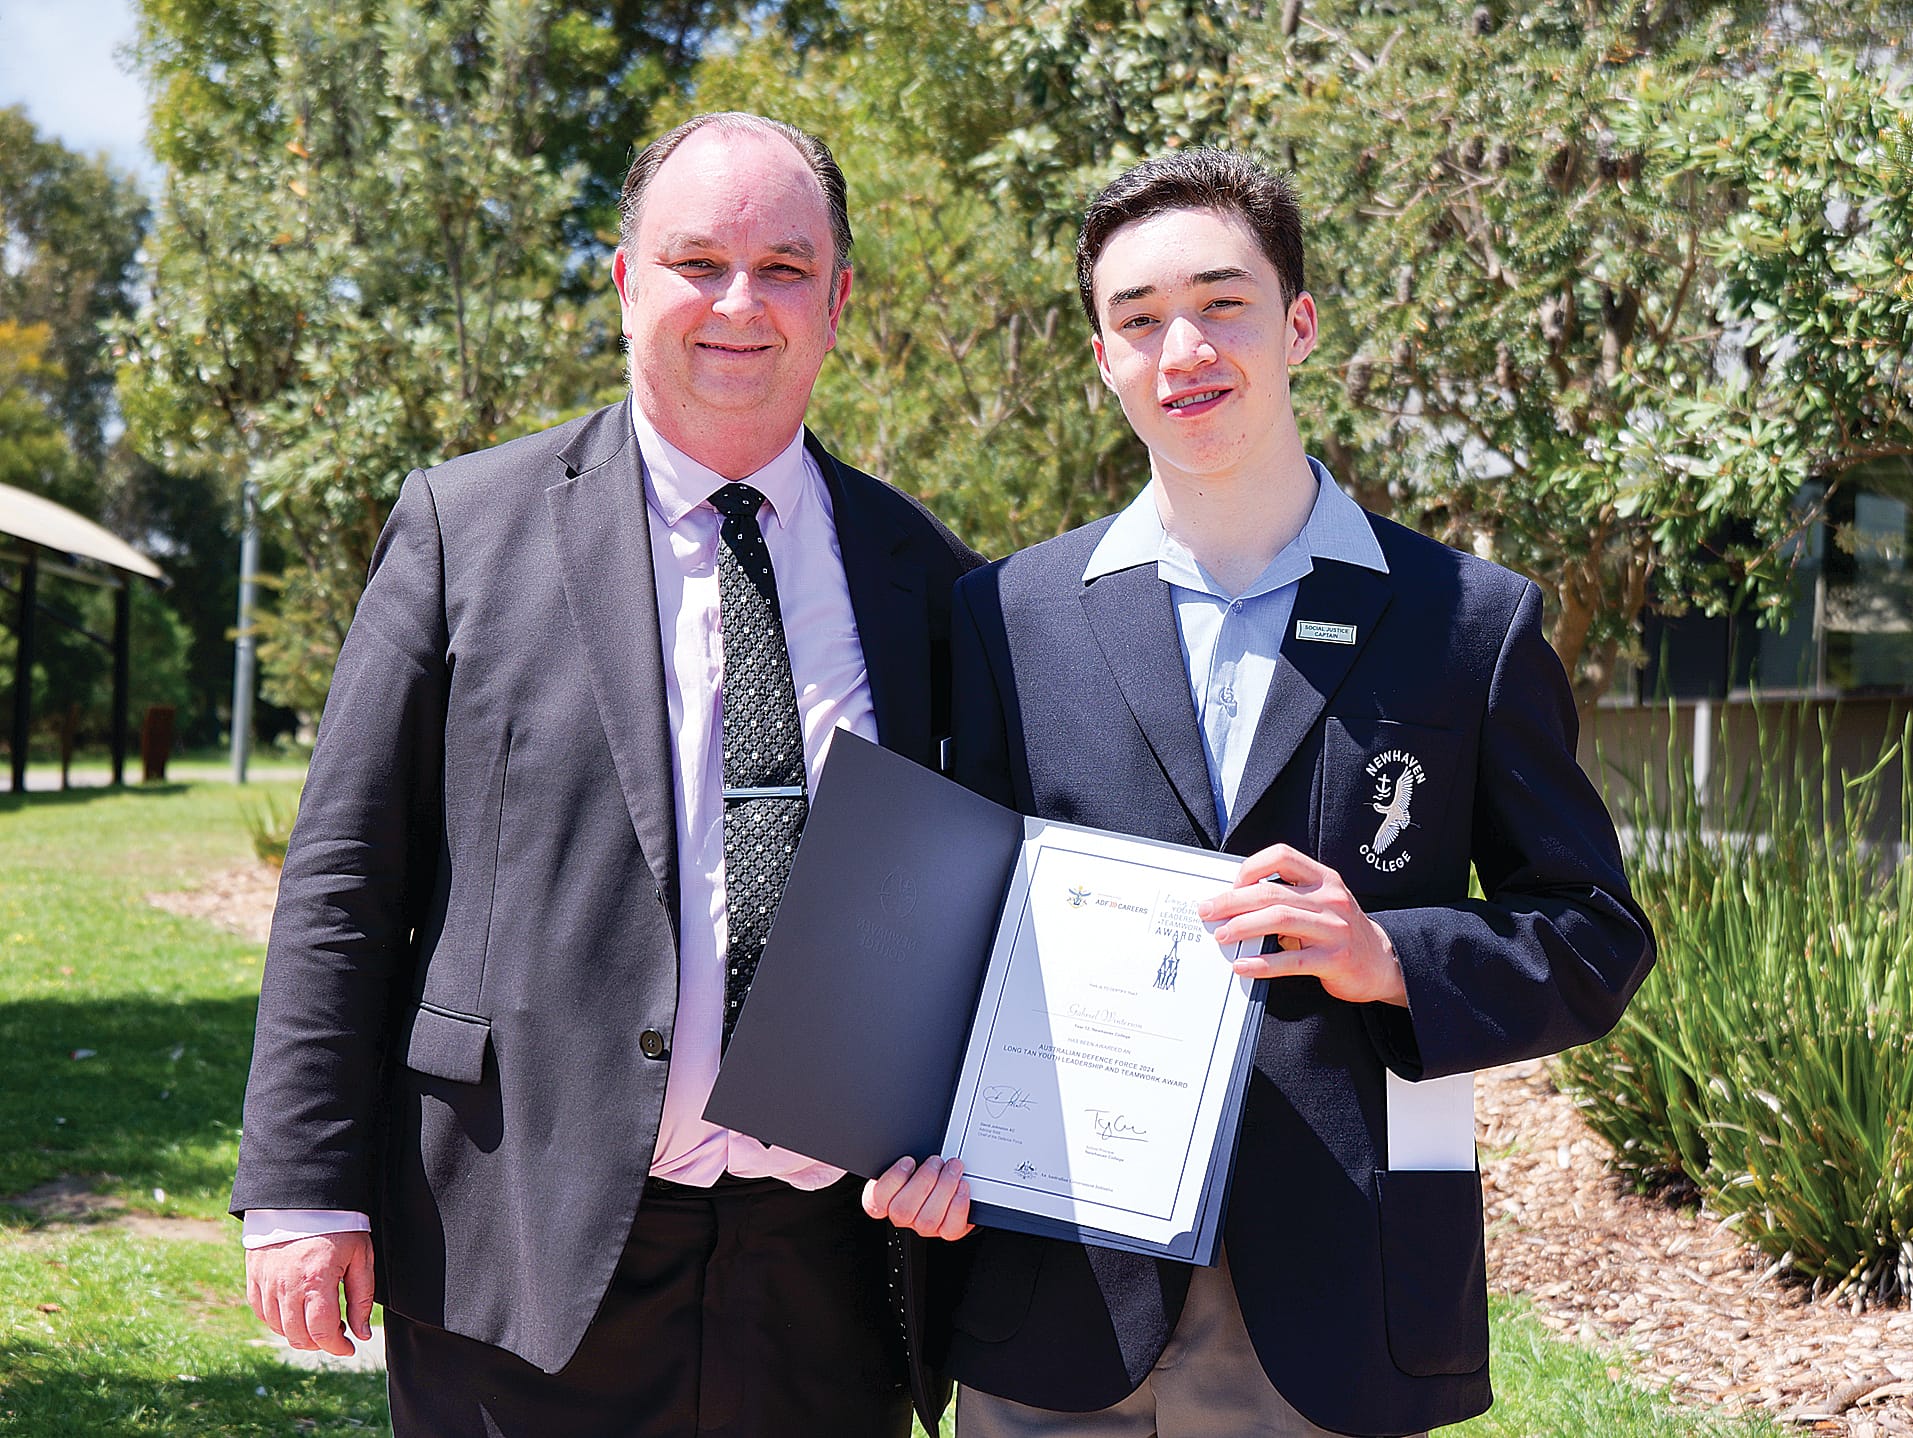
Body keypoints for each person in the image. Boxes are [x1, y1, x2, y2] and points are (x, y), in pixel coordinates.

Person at [866, 148, 1655, 1437]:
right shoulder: (1005, 618)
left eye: (1222, 301)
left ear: (1296, 322)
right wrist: (902, 1131)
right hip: (1056, 1297)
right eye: (1137, 318)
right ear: (1105, 362)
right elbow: (954, 936)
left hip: (1341, 1296)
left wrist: (1386, 953)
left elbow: (1593, 935)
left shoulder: (1469, 625)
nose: (1183, 346)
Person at [232, 111, 980, 1438]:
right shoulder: (465, 527)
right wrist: (304, 1191)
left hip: (826, 1281)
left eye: (785, 268)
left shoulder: (928, 575)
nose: (737, 304)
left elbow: (974, 905)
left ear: (840, 299)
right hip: (519, 1240)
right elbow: (348, 871)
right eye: (695, 261)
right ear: (626, 278)